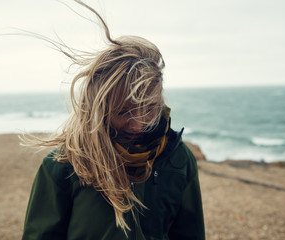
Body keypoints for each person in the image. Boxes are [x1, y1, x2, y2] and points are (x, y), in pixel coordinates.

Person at [21, 2, 205, 239]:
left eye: (149, 109)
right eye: (123, 111)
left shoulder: (178, 158)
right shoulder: (64, 165)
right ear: (99, 109)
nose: (138, 125)